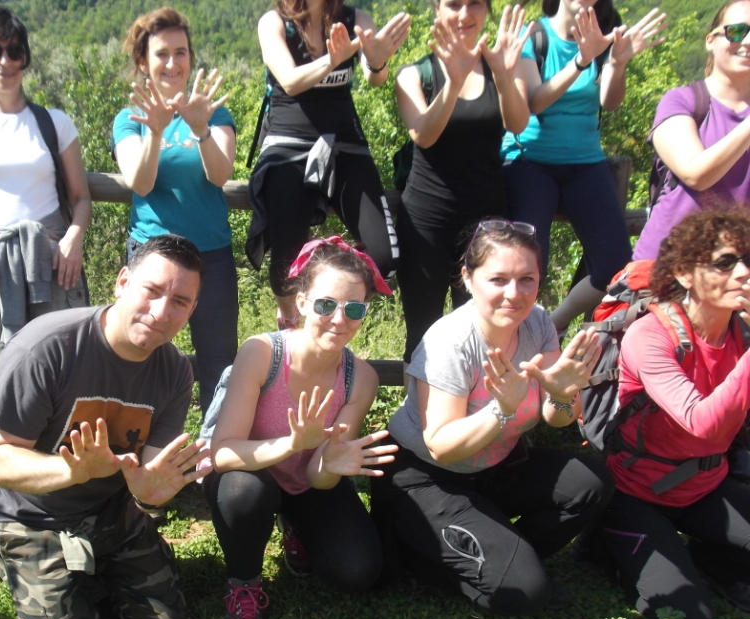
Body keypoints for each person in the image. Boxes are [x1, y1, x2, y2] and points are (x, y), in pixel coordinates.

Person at [0, 235, 210, 619]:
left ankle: (84, 572)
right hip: (30, 514)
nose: (162, 313)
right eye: (152, 291)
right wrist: (70, 470)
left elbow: (150, 474)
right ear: (122, 282)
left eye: (180, 302)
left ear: (192, 310)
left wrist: (146, 497)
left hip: (107, 508)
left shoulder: (176, 370)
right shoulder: (47, 347)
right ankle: (27, 562)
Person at [371, 220, 614, 614]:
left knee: (591, 482)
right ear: (468, 278)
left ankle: (504, 552)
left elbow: (558, 418)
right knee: (527, 592)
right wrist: (501, 409)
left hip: (494, 469)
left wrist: (562, 392)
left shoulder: (537, 323)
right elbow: (442, 446)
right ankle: (417, 554)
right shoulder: (450, 342)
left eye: (527, 279)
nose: (514, 294)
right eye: (498, 279)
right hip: (426, 477)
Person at [205, 237, 397, 619]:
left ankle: (293, 523)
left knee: (356, 572)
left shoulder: (360, 379)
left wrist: (331, 463)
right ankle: (243, 586)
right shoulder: (261, 352)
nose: (339, 319)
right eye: (327, 305)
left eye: (355, 309)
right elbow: (222, 453)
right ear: (302, 303)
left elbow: (318, 475)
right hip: (247, 475)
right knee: (245, 492)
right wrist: (292, 442)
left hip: (308, 482)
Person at [598, 211, 750, 619]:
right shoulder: (652, 335)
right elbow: (702, 423)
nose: (742, 272)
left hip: (708, 485)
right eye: (724, 263)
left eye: (747, 260)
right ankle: (607, 544)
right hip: (636, 493)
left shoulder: (741, 332)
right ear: (683, 273)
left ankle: (714, 557)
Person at [0, 6, 92, 390]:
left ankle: (65, 451)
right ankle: (9, 450)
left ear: (25, 57)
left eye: (14, 51)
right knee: (5, 376)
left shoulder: (54, 122)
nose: (4, 61)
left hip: (57, 265)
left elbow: (80, 197)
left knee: (66, 367)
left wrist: (74, 239)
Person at [502, 0, 666, 331]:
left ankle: (553, 324)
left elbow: (611, 101)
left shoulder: (604, 33)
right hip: (529, 160)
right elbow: (534, 101)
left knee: (616, 268)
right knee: (528, 263)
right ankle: (517, 338)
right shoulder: (532, 36)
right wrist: (581, 60)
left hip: (585, 162)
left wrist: (616, 62)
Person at [247, 0, 411, 329]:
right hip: (287, 143)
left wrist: (377, 64)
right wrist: (331, 60)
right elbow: (291, 81)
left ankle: (329, 284)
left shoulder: (357, 18)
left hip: (345, 141)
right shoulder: (274, 22)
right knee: (285, 269)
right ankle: (291, 315)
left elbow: (374, 77)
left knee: (385, 258)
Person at [112, 7, 237, 414]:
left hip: (210, 257)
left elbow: (220, 175)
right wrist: (157, 129)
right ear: (144, 62)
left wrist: (200, 128)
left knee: (219, 362)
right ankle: (134, 443)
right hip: (152, 256)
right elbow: (141, 181)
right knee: (140, 348)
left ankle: (213, 458)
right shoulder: (129, 120)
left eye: (180, 52)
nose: (172, 63)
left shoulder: (213, 112)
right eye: (162, 54)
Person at [396, 0, 531, 372]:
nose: (464, 13)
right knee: (421, 331)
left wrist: (503, 75)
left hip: (487, 222)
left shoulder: (502, 65)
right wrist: (453, 83)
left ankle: (479, 424)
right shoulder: (415, 74)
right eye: (453, 4)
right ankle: (418, 427)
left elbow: (518, 123)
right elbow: (424, 135)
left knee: (482, 331)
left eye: (474, 3)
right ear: (436, 10)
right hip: (426, 220)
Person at [634, 0, 750, 262]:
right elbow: (696, 174)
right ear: (710, 40)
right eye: (736, 32)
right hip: (668, 269)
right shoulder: (681, 101)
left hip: (735, 277)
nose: (748, 41)